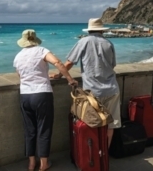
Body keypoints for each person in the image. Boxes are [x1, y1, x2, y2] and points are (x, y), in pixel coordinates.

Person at [13, 29, 78, 171]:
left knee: (29, 130)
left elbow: (21, 76)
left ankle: (31, 163)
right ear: (35, 40)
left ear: (23, 41)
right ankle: (43, 164)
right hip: (42, 94)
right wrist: (70, 79)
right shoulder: (41, 50)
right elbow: (58, 63)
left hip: (25, 95)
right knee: (44, 129)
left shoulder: (18, 56)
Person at [51, 18, 121, 148]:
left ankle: (93, 155)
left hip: (92, 92)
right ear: (101, 30)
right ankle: (104, 155)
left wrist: (59, 74)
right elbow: (113, 65)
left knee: (92, 123)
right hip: (112, 89)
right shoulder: (108, 43)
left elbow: (70, 62)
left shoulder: (83, 42)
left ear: (89, 30)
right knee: (111, 124)